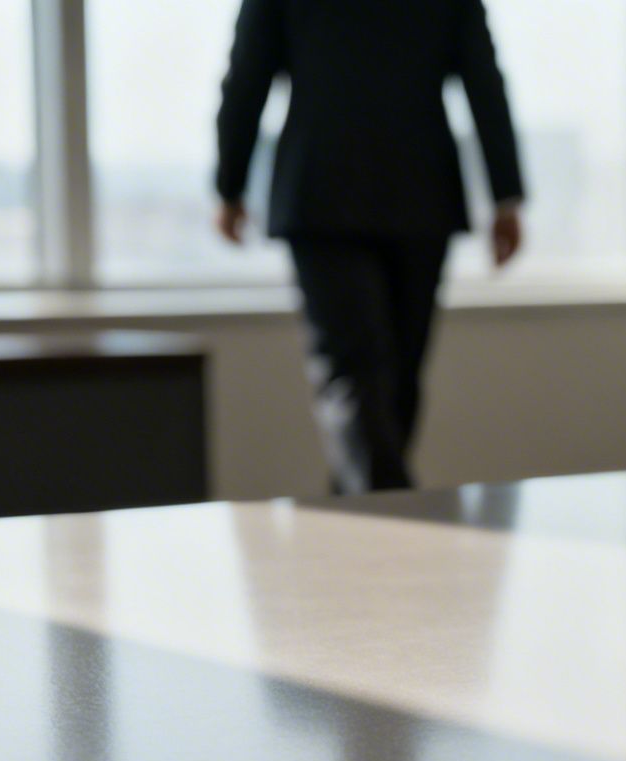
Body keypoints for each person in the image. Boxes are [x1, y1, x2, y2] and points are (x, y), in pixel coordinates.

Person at [215, 0, 525, 493]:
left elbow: (247, 74)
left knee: (387, 382)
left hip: (344, 192)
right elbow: (484, 80)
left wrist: (229, 185)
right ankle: (395, 523)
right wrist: (505, 194)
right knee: (364, 379)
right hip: (396, 196)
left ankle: (363, 526)